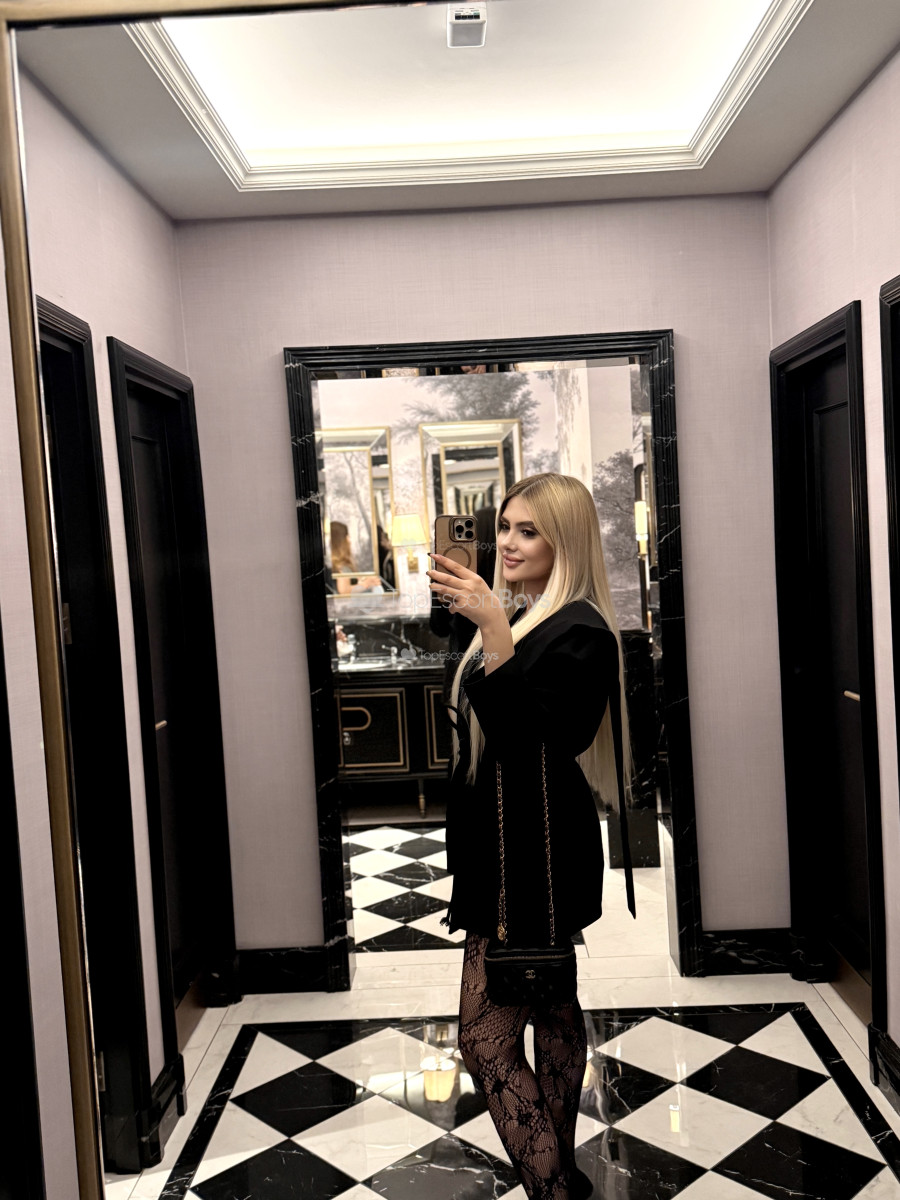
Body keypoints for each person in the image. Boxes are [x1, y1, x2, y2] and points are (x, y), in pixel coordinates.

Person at [426, 473, 635, 1200]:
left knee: (484, 1040)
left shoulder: (580, 630)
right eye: (504, 527)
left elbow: (535, 745)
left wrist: (493, 628)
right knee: (550, 1007)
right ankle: (562, 1174)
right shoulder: (530, 614)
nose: (507, 543)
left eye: (527, 531)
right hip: (511, 843)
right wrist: (474, 614)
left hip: (532, 856)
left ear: (564, 541)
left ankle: (554, 1191)